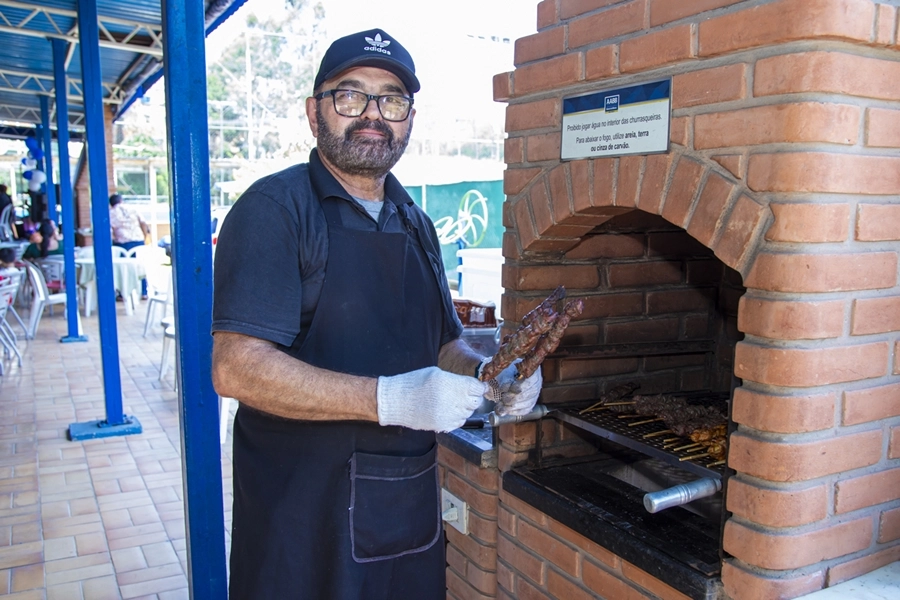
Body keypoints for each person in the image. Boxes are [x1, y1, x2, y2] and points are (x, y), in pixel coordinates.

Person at [211, 28, 542, 600]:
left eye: (391, 100)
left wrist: (493, 377)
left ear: (408, 118)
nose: (372, 114)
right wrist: (389, 399)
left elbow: (445, 345)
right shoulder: (273, 211)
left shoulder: (416, 222)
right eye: (350, 95)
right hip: (301, 517)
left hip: (402, 510)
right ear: (315, 113)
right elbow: (236, 368)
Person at [109, 193, 150, 297]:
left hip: (122, 242)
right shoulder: (132, 208)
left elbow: (111, 230)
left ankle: (123, 293)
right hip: (138, 240)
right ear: (121, 200)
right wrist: (144, 237)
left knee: (123, 268)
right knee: (139, 265)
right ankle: (144, 292)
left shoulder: (111, 212)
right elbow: (143, 223)